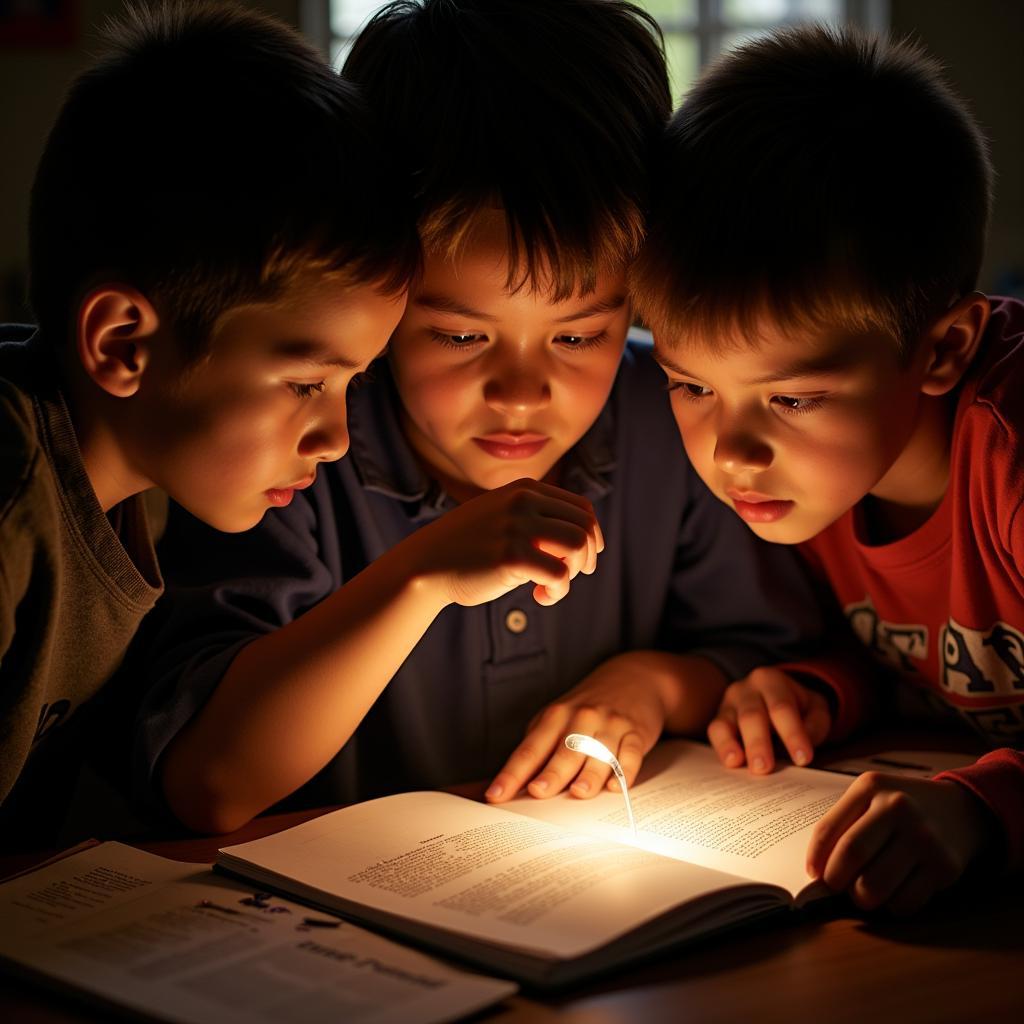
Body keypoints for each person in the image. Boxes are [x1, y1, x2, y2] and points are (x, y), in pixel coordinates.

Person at [135, 0, 825, 836]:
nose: (522, 393)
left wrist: (651, 684)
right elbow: (210, 785)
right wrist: (419, 578)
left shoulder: (670, 415)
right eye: (460, 334)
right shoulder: (292, 449)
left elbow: (767, 655)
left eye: (579, 334)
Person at [0, 0, 425, 849]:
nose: (335, 438)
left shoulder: (129, 489)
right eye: (305, 382)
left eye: (351, 383)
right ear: (124, 343)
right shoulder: (10, 501)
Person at [631, 24, 1023, 913]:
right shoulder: (813, 481)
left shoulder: (1010, 459)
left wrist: (985, 810)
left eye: (793, 398)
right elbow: (908, 662)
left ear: (944, 348)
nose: (730, 452)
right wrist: (820, 690)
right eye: (692, 385)